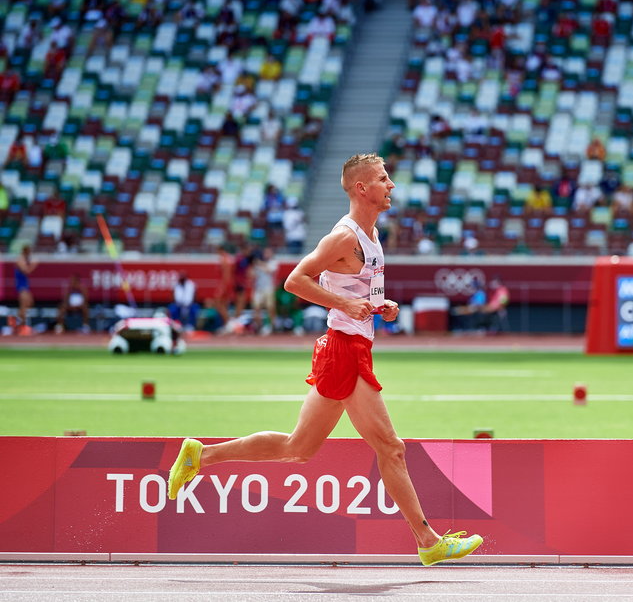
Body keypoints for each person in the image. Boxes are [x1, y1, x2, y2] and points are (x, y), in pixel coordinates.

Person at [167, 153, 483, 566]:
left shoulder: (371, 237)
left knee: (297, 448)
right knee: (392, 448)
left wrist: (378, 306)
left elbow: (354, 292)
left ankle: (200, 455)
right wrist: (344, 305)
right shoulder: (343, 237)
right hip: (344, 351)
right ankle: (428, 541)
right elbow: (294, 280)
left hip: (351, 347)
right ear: (361, 188)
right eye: (383, 179)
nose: (391, 186)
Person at [251, 247, 278, 335]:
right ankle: (258, 326)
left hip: (268, 288)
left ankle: (271, 325)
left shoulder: (273, 262)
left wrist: (259, 263)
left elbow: (269, 270)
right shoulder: (258, 264)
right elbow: (252, 274)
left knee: (270, 308)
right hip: (258, 288)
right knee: (256, 308)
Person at [14, 245, 37, 334]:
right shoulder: (20, 259)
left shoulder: (24, 260)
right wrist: (34, 264)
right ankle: (21, 326)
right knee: (23, 306)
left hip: (25, 286)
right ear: (25, 251)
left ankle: (18, 323)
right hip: (21, 286)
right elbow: (26, 271)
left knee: (30, 303)